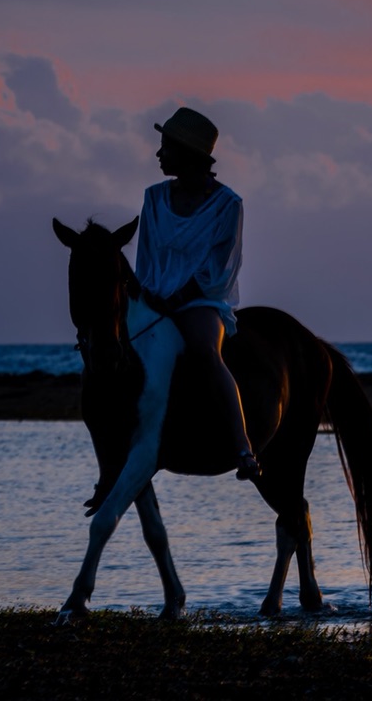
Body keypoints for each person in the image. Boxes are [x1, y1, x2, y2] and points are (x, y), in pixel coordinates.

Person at [135, 106, 260, 481]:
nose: (158, 155)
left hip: (202, 300)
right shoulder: (154, 199)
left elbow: (220, 270)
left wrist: (177, 298)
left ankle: (243, 448)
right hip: (155, 296)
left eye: (165, 147)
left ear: (186, 153)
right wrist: (148, 297)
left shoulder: (228, 205)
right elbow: (146, 258)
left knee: (206, 351)